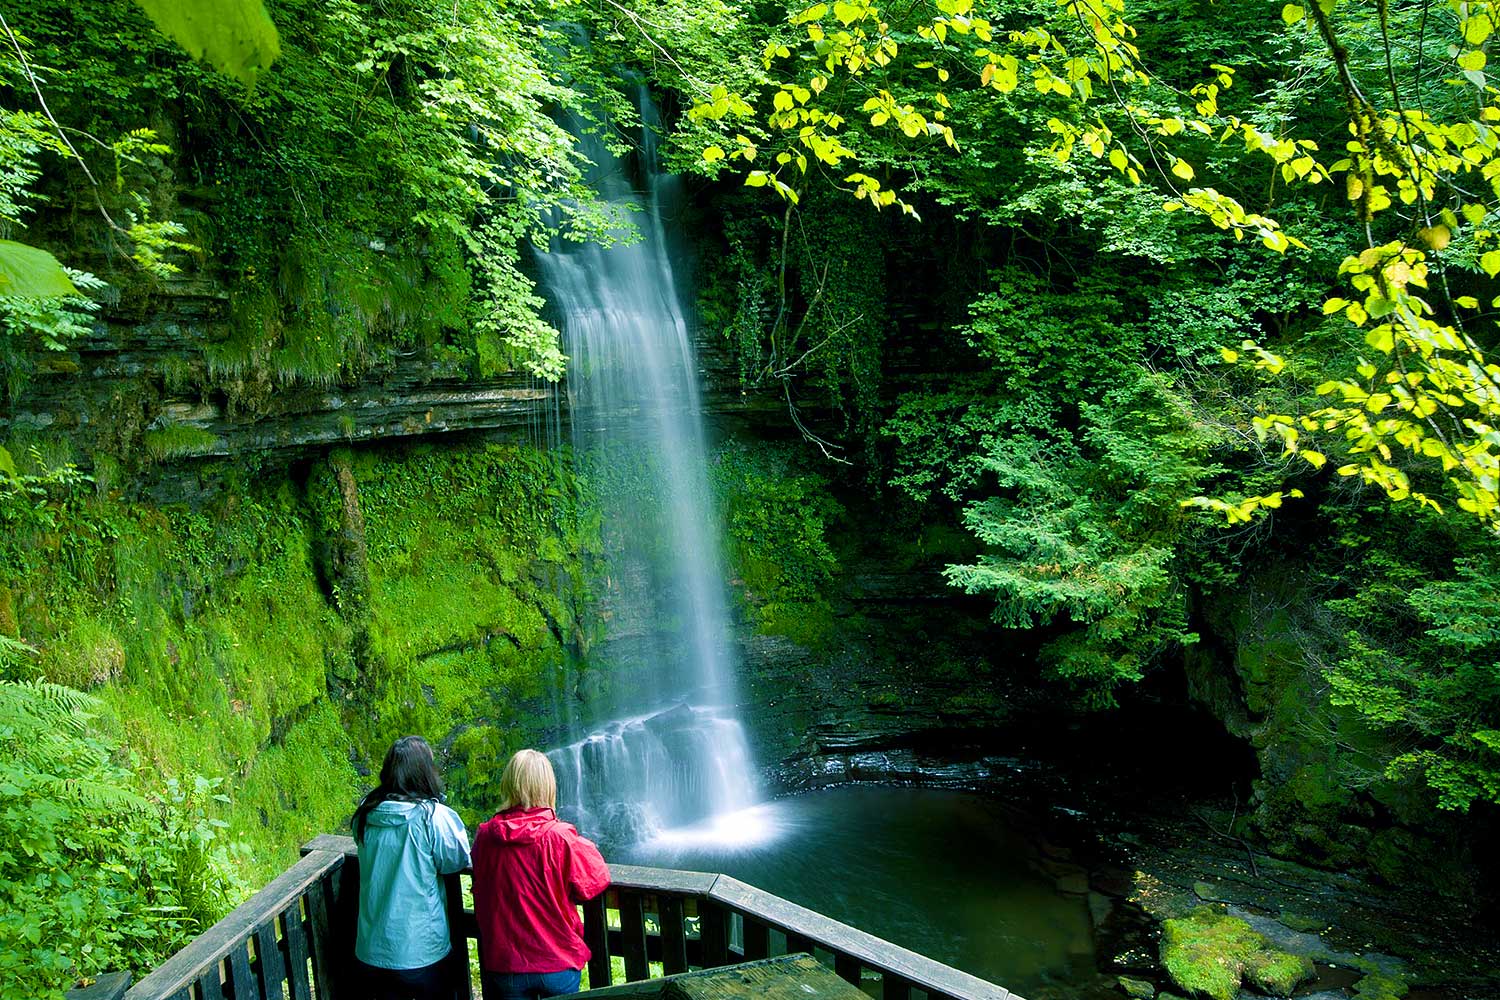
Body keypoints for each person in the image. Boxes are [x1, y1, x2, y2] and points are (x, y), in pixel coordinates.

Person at [473, 749, 611, 1000]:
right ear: (548, 786)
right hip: (556, 960)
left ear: (508, 784)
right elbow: (596, 879)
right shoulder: (559, 837)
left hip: (505, 963)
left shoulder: (485, 837)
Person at [351, 735, 472, 1000]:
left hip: (372, 949)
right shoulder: (432, 817)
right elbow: (457, 859)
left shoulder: (366, 813)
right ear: (424, 772)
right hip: (421, 950)